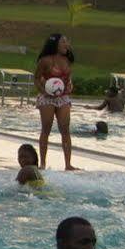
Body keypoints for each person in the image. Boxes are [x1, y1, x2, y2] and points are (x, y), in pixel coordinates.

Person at [34, 33, 77, 171]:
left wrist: (70, 84)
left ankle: (68, 164)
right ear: (56, 44)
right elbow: (36, 78)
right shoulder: (45, 61)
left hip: (62, 97)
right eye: (63, 42)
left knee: (65, 129)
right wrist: (44, 91)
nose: (67, 44)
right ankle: (43, 163)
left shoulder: (67, 60)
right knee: (46, 128)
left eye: (67, 41)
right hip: (47, 98)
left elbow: (68, 77)